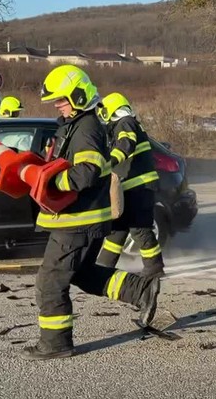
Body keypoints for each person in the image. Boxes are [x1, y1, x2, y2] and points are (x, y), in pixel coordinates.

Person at [22, 64, 162, 361]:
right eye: (56, 101)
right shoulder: (75, 124)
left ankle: (56, 343)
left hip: (76, 222)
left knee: (50, 282)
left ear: (78, 95)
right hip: (83, 220)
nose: (58, 106)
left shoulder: (85, 127)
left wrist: (48, 181)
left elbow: (85, 173)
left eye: (61, 100)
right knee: (83, 274)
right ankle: (140, 291)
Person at [95, 92, 164, 278]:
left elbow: (126, 143)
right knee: (117, 229)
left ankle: (154, 268)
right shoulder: (126, 124)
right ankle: (103, 266)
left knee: (139, 228)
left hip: (140, 188)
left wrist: (109, 162)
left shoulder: (125, 123)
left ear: (112, 110)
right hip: (132, 188)